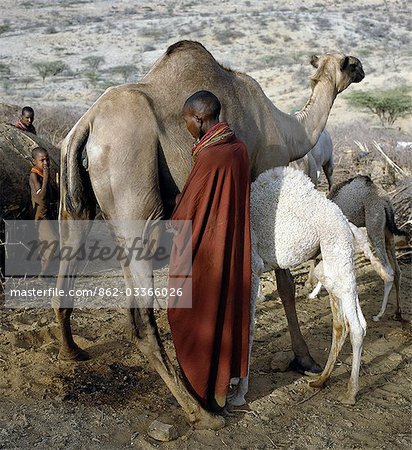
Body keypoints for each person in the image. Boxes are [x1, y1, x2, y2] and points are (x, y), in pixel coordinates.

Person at [167, 91, 251, 412]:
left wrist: (176, 210)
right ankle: (218, 390)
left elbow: (187, 214)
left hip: (207, 249)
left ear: (199, 119)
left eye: (187, 120)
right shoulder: (237, 148)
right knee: (224, 310)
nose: (186, 125)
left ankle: (200, 388)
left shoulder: (210, 156)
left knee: (195, 310)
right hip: (229, 245)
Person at [29, 147, 58, 276]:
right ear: (34, 161)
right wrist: (46, 178)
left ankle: (46, 270)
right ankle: (43, 273)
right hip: (39, 215)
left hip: (47, 213)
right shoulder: (35, 175)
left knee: (45, 243)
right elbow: (41, 196)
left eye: (47, 160)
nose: (46, 163)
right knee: (52, 241)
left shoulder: (42, 173)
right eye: (42, 160)